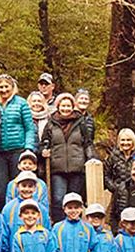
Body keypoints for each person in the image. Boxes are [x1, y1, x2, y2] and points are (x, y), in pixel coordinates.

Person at [40, 92, 96, 222]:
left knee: (75, 200)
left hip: (77, 167)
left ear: (73, 107)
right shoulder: (51, 124)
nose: (65, 109)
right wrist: (43, 151)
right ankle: (59, 227)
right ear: (58, 106)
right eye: (63, 106)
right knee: (58, 199)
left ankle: (75, 226)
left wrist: (91, 158)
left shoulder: (80, 123)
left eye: (68, 106)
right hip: (57, 169)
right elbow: (43, 143)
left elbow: (87, 143)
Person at [0, 74, 36, 207]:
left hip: (18, 150)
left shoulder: (21, 103)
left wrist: (28, 148)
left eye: (6, 86)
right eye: (1, 87)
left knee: (18, 186)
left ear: (12, 87)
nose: (4, 90)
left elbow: (29, 127)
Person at [0, 170, 51, 242]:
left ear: (35, 188)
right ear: (17, 187)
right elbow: (4, 234)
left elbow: (48, 234)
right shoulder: (8, 209)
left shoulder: (42, 210)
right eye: (24, 186)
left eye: (30, 186)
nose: (27, 189)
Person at [103, 128, 135, 194]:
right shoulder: (113, 156)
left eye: (128, 140)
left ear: (133, 141)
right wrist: (114, 188)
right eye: (123, 140)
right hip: (118, 194)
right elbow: (106, 175)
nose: (125, 143)